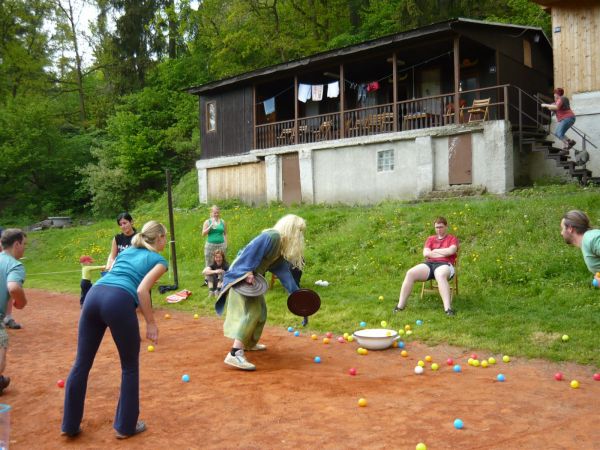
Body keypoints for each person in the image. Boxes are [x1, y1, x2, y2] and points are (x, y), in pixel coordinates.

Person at [61, 221, 168, 439]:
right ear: (159, 239)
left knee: (81, 363)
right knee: (129, 367)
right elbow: (142, 290)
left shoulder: (127, 252)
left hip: (94, 295)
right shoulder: (159, 260)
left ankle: (69, 425)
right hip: (118, 301)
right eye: (165, 237)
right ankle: (125, 426)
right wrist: (151, 323)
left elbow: (113, 272)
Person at [215, 214, 305, 371]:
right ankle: (235, 353)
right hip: (243, 277)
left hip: (253, 280)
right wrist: (247, 271)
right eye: (299, 231)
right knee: (253, 312)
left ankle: (249, 343)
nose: (300, 236)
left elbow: (284, 274)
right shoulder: (272, 237)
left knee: (261, 311)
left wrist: (299, 298)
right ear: (291, 229)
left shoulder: (279, 247)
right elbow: (247, 253)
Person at [394, 217, 459, 316]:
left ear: (446, 226)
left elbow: (451, 251)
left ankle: (448, 309)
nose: (438, 230)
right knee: (410, 273)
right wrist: (442, 252)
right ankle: (400, 306)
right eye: (436, 227)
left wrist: (435, 251)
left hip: (445, 264)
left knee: (441, 275)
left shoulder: (452, 238)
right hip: (429, 264)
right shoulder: (430, 239)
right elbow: (426, 254)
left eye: (441, 227)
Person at [0, 229, 28, 393]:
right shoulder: (14, 265)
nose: (24, 248)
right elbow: (14, 287)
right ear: (16, 244)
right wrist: (22, 302)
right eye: (24, 244)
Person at [560, 210, 600, 283]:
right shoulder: (587, 241)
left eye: (562, 228)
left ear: (570, 228)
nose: (561, 233)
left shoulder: (592, 239)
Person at [541, 87, 576, 153]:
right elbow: (554, 107)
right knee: (559, 133)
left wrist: (545, 105)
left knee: (558, 133)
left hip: (567, 118)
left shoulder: (561, 98)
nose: (554, 95)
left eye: (554, 93)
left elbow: (556, 107)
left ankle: (567, 144)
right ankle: (568, 143)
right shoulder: (559, 101)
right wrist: (550, 106)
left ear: (557, 94)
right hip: (569, 118)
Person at [201, 205, 227, 284]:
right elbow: (203, 234)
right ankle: (207, 279)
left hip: (221, 244)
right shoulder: (207, 221)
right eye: (214, 213)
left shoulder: (222, 221)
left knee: (221, 261)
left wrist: (226, 243)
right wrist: (210, 226)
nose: (216, 214)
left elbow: (225, 233)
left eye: (217, 213)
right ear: (211, 213)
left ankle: (220, 278)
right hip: (210, 244)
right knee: (209, 261)